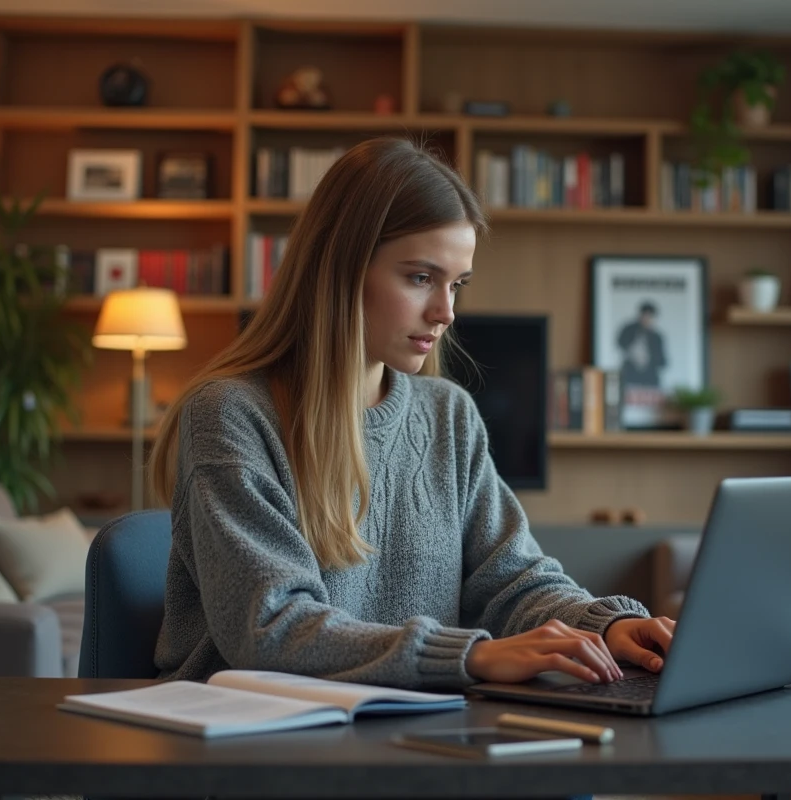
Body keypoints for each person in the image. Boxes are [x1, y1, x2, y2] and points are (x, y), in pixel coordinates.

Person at [148, 137, 675, 690]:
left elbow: (513, 581)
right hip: (253, 740)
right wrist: (469, 658)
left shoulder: (449, 414)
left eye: (457, 284)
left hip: (401, 726)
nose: (446, 311)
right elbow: (271, 627)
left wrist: (607, 625)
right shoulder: (230, 415)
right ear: (341, 269)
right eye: (421, 278)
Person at [616, 301, 666, 389]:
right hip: (630, 375)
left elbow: (662, 361)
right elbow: (620, 343)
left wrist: (648, 359)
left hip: (650, 378)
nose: (646, 319)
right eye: (644, 316)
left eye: (649, 316)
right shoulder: (629, 330)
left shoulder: (656, 337)